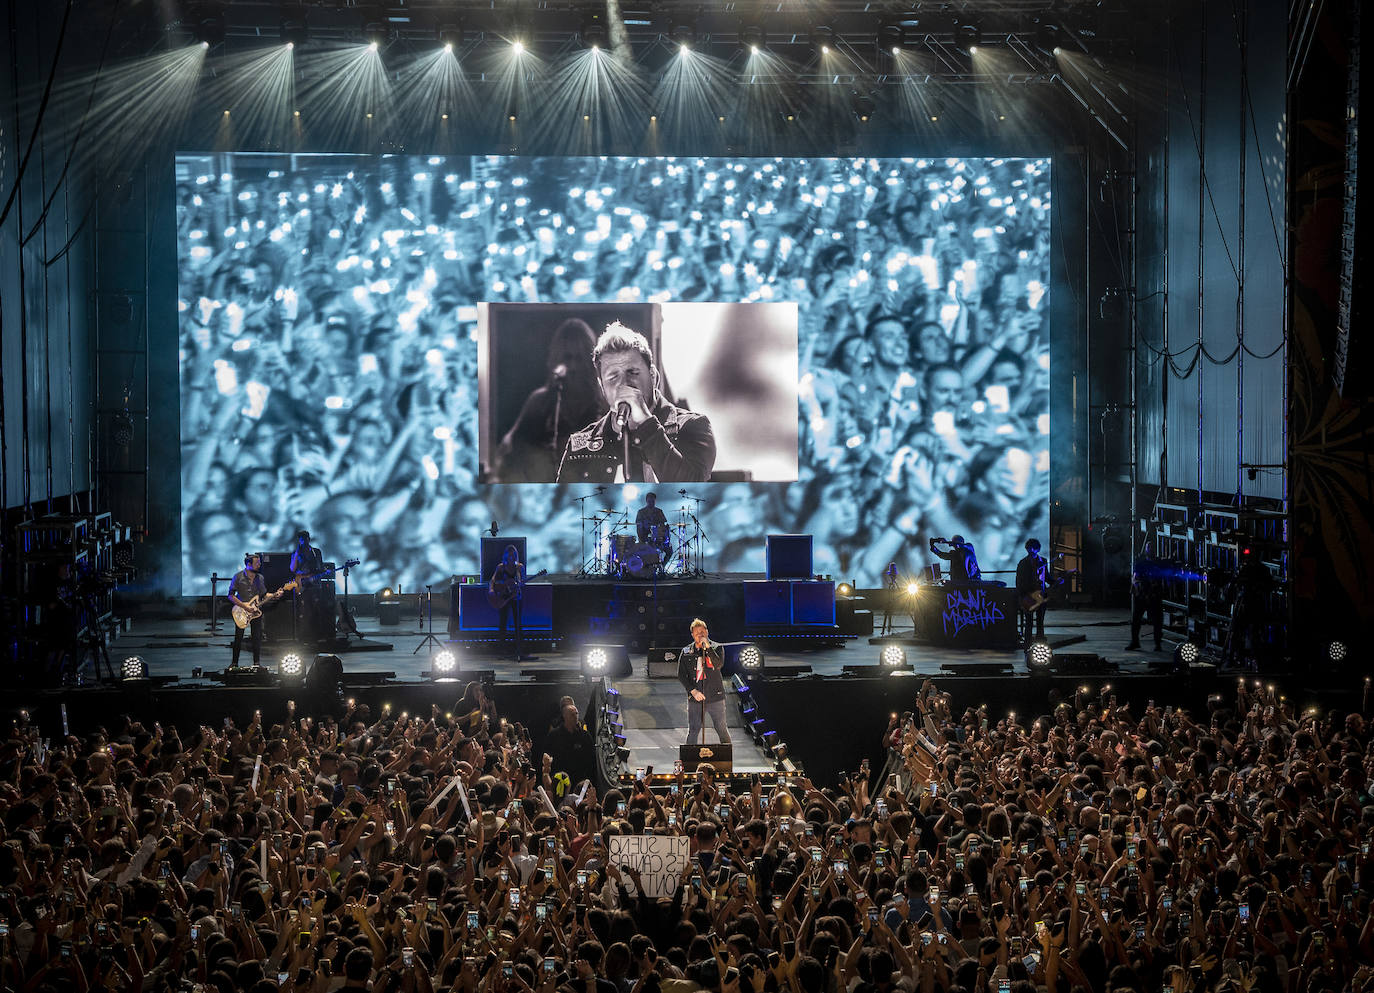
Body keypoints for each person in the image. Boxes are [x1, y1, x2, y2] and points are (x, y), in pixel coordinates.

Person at [556, 322, 716, 483]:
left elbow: (692, 491)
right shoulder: (581, 445)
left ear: (653, 376)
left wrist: (646, 424)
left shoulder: (692, 425)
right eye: (613, 377)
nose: (624, 383)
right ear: (602, 386)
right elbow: (562, 505)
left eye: (633, 372)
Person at [492, 318, 606, 482]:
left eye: (579, 359)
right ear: (557, 358)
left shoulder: (607, 402)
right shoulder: (539, 401)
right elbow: (508, 448)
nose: (573, 367)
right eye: (567, 358)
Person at [676, 618, 731, 747]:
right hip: (695, 698)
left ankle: (728, 760)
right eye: (697, 633)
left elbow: (718, 664)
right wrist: (693, 691)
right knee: (694, 730)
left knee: (721, 728)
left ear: (707, 632)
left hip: (715, 697)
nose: (700, 635)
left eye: (702, 632)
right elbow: (681, 675)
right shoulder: (686, 652)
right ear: (692, 635)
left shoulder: (717, 648)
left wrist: (708, 648)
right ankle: (688, 762)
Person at [544, 699, 597, 788]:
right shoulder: (554, 735)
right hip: (561, 780)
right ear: (565, 716)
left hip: (580, 780)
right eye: (572, 714)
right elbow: (547, 753)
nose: (575, 716)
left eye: (576, 714)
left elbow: (591, 758)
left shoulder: (584, 735)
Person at [227, 553, 267, 668]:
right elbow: (230, 596)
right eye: (257, 563)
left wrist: (275, 594)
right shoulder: (238, 577)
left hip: (255, 612)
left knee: (257, 637)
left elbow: (264, 595)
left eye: (259, 562)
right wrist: (245, 607)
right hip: (241, 611)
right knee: (238, 638)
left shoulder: (260, 578)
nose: (259, 565)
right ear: (248, 564)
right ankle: (234, 663)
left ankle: (256, 663)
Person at [488, 544, 525, 660]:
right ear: (505, 556)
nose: (511, 558)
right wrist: (491, 590)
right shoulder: (501, 567)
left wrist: (519, 585)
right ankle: (501, 649)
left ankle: (519, 649)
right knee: (502, 623)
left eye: (513, 556)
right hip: (504, 597)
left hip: (515, 597)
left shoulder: (519, 567)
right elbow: (493, 580)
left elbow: (522, 582)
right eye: (509, 556)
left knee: (517, 623)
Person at [1126, 545, 1164, 651]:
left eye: (1152, 548)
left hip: (1154, 595)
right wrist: (1141, 591)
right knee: (1136, 620)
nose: (1151, 550)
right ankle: (1134, 642)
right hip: (1142, 595)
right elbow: (1135, 579)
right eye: (1149, 548)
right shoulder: (1141, 563)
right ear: (1146, 550)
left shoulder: (1158, 563)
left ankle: (1157, 643)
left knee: (1157, 620)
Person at [1015, 538, 1049, 645]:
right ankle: (1028, 642)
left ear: (1037, 549)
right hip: (1028, 595)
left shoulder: (1043, 561)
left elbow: (1047, 577)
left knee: (1040, 621)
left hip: (1040, 595)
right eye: (1029, 548)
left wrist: (1056, 581)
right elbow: (1019, 580)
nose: (1031, 550)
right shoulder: (1022, 563)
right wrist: (1022, 595)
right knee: (1029, 621)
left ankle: (1040, 641)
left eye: (1033, 548)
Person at [634, 491, 671, 559]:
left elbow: (663, 526)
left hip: (658, 540)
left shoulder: (659, 511)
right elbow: (638, 527)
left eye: (653, 501)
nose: (651, 503)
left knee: (669, 551)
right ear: (646, 501)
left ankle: (661, 567)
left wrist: (663, 536)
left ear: (655, 501)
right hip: (645, 539)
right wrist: (643, 540)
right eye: (649, 501)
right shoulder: (641, 512)